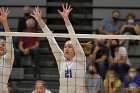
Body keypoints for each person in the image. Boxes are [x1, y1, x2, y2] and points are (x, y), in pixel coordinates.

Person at [32, 4, 86, 93]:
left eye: (69, 47)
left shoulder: (80, 58)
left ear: (75, 50)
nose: (66, 48)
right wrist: (39, 20)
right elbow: (51, 39)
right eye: (65, 46)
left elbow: (73, 37)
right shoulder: (61, 59)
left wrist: (66, 19)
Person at [0, 7, 14, 93]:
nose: (1, 46)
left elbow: (9, 38)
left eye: (3, 45)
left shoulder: (8, 58)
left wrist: (4, 22)